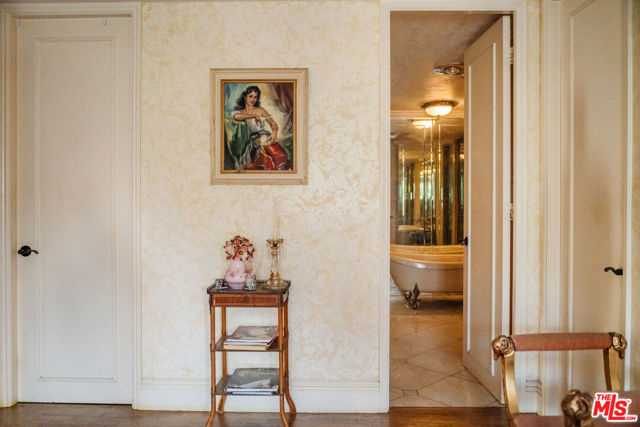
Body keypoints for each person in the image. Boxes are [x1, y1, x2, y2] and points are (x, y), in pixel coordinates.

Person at [225, 86, 290, 171]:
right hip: (250, 139)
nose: (253, 99)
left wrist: (274, 132)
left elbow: (273, 124)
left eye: (255, 97)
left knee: (275, 153)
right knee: (261, 154)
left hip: (263, 135)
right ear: (245, 97)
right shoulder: (240, 112)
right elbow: (236, 117)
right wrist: (253, 115)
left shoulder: (261, 110)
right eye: (250, 96)